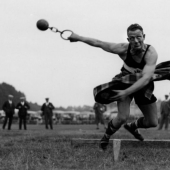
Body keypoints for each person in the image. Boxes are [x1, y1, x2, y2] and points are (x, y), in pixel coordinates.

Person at [69, 23, 158, 150]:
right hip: (124, 82)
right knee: (122, 117)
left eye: (138, 37)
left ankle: (132, 126)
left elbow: (145, 78)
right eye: (132, 38)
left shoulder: (151, 53)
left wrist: (126, 92)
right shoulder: (122, 49)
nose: (136, 41)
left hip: (143, 85)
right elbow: (98, 43)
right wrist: (77, 37)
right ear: (128, 39)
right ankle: (106, 136)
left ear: (144, 36)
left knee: (152, 122)